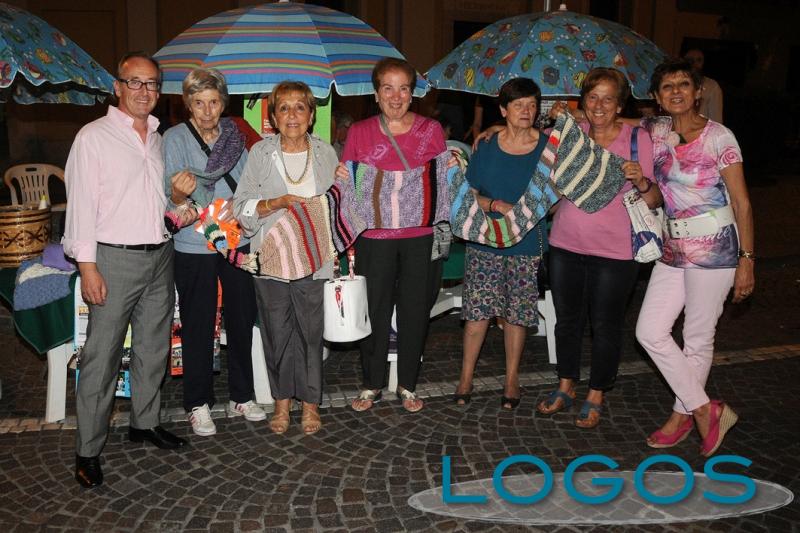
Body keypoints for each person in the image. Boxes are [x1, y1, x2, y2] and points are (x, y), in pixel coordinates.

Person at [63, 52, 187, 489]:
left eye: (152, 83)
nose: (144, 91)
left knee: (154, 347)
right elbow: (80, 206)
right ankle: (87, 450)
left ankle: (144, 423)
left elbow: (157, 200)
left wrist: (179, 207)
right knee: (102, 357)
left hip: (160, 254)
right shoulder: (92, 137)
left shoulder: (159, 138)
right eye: (135, 82)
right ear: (117, 87)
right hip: (113, 259)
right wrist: (88, 267)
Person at [635, 58, 754, 456]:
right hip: (672, 246)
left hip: (716, 246)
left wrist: (747, 259)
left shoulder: (719, 137)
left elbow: (742, 202)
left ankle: (680, 415)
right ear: (657, 97)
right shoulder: (655, 131)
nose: (676, 92)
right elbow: (609, 124)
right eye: (667, 87)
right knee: (649, 331)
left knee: (698, 337)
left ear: (698, 91)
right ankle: (704, 409)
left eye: (683, 84)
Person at [534, 68, 661, 428]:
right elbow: (530, 141)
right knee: (566, 321)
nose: (600, 105)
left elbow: (654, 200)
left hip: (616, 251)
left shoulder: (637, 139)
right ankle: (566, 385)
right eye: (593, 97)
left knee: (605, 324)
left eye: (608, 98)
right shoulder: (571, 133)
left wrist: (641, 179)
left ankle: (597, 392)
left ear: (620, 105)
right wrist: (493, 130)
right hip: (565, 243)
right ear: (583, 102)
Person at [340, 57, 447, 413]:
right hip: (374, 237)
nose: (396, 96)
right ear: (376, 94)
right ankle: (372, 382)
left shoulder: (431, 130)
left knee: (416, 309)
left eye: (403, 88)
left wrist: (455, 166)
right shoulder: (359, 132)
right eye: (388, 88)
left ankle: (407, 384)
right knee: (375, 308)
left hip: (421, 235)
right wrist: (343, 177)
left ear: (412, 94)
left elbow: (442, 182)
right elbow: (351, 185)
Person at [162, 67, 264, 437]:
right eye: (199, 102)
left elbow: (250, 182)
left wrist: (242, 203)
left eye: (214, 102)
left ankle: (242, 395)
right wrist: (179, 196)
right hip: (193, 242)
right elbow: (170, 192)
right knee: (197, 323)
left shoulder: (236, 135)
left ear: (223, 104)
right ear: (187, 104)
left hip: (235, 238)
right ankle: (197, 402)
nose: (207, 111)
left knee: (241, 318)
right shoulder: (174, 138)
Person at [233, 81, 338, 435]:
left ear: (311, 115)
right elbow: (241, 206)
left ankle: (310, 405)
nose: (292, 115)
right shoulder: (260, 154)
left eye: (300, 107)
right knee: (276, 332)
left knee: (311, 333)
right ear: (274, 117)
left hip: (314, 257)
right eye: (284, 108)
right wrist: (275, 203)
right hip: (272, 257)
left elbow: (338, 202)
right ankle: (281, 403)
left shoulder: (325, 154)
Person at [452, 78, 549, 410]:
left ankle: (511, 379)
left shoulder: (548, 149)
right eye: (518, 105)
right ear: (504, 110)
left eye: (532, 105)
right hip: (486, 238)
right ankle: (465, 377)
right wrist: (495, 205)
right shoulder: (488, 146)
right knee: (477, 311)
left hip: (526, 242)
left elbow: (555, 195)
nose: (526, 111)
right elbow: (469, 195)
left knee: (517, 315)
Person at [683, 48, 723, 123]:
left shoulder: (712, 86)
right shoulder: (675, 84)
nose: (694, 63)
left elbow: (716, 120)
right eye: (690, 60)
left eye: (699, 60)